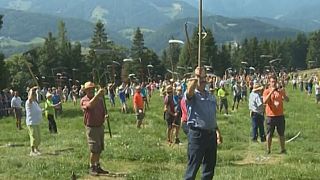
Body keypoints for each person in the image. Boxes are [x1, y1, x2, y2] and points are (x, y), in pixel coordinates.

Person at [184, 67, 223, 180]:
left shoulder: (210, 96)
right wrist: (195, 79)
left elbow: (212, 117)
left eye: (203, 77)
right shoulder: (193, 95)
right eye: (198, 77)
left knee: (209, 169)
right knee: (193, 168)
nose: (202, 80)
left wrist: (217, 132)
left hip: (211, 135)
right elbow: (189, 92)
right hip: (197, 135)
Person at [80, 81, 109, 176]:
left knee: (99, 148)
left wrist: (104, 116)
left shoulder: (100, 100)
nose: (91, 91)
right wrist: (97, 95)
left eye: (92, 89)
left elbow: (102, 110)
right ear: (86, 91)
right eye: (89, 89)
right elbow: (90, 106)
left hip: (100, 126)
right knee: (94, 149)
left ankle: (97, 165)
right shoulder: (84, 100)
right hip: (91, 128)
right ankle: (91, 167)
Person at [263, 75, 289, 154]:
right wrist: (271, 92)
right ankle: (268, 149)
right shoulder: (266, 91)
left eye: (274, 82)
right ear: (269, 83)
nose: (273, 83)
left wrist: (283, 93)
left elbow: (287, 100)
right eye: (272, 82)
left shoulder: (280, 91)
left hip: (280, 115)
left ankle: (283, 149)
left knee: (281, 133)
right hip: (270, 116)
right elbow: (265, 102)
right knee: (269, 134)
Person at [25, 86, 42, 156]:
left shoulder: (35, 103)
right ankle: (32, 151)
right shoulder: (29, 102)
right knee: (34, 137)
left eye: (35, 95)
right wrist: (32, 89)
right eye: (34, 95)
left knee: (38, 137)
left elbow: (38, 110)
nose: (35, 96)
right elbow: (30, 98)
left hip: (37, 122)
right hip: (31, 122)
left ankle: (36, 149)